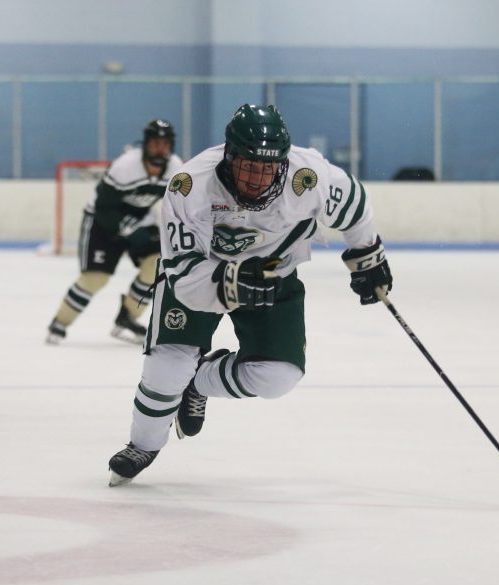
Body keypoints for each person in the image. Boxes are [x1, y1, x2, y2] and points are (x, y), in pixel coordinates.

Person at [107, 104, 393, 485]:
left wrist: (366, 254)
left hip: (275, 276)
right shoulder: (190, 184)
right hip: (202, 272)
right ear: (229, 155)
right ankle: (144, 444)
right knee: (167, 368)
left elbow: (355, 207)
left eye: (268, 167)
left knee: (278, 377)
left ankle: (200, 382)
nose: (258, 178)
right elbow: (184, 276)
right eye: (249, 165)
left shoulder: (308, 177)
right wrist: (231, 282)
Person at [46, 119, 183, 345]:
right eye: (156, 143)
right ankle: (60, 322)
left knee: (158, 264)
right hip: (102, 222)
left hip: (140, 219)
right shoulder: (125, 167)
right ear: (146, 144)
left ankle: (127, 318)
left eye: (165, 144)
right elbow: (104, 208)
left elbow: (181, 203)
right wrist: (127, 230)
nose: (160, 149)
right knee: (96, 278)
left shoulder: (176, 169)